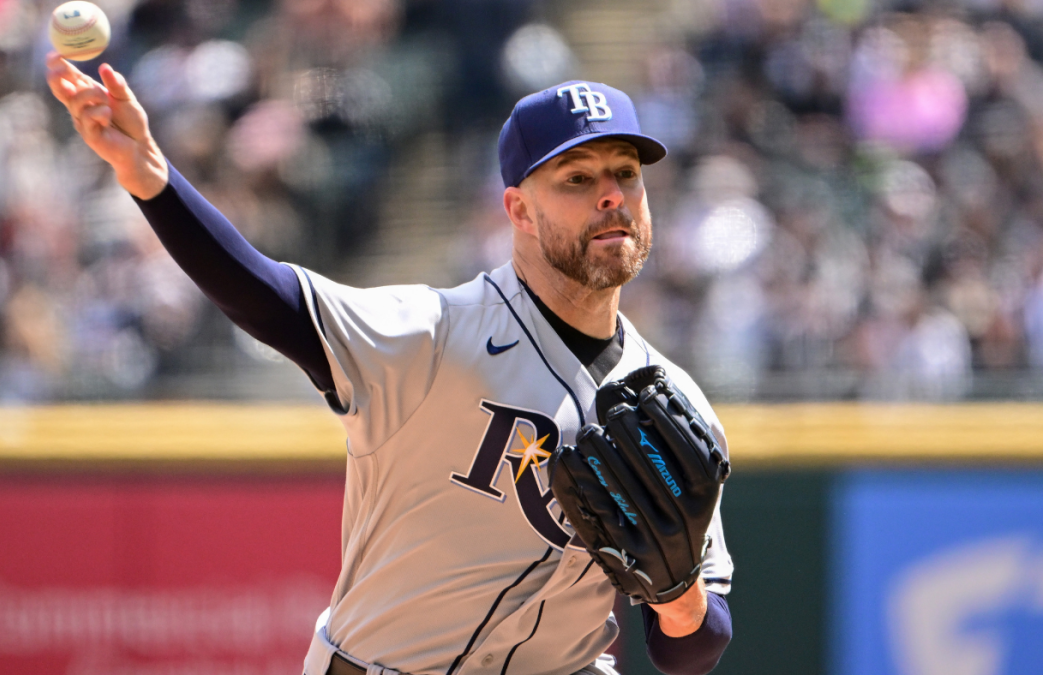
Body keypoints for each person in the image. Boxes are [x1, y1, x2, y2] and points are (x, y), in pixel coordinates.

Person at [46, 54, 734, 675]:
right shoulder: (435, 332)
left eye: (625, 173)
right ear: (519, 210)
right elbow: (269, 297)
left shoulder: (673, 403)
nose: (610, 194)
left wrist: (680, 597)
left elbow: (693, 648)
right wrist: (153, 182)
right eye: (577, 178)